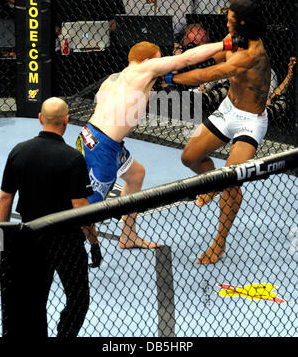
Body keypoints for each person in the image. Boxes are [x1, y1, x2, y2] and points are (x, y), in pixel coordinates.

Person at [76, 38, 240, 249]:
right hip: (103, 147)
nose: (162, 63)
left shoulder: (115, 78)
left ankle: (128, 236)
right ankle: (66, 248)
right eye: (159, 59)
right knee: (89, 209)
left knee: (136, 175)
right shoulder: (146, 68)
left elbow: (113, 105)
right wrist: (225, 45)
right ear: (146, 60)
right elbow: (187, 58)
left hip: (90, 135)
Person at [164, 0, 271, 264]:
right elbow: (211, 56)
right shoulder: (234, 38)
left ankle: (219, 243)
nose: (226, 22)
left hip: (250, 120)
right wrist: (177, 62)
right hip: (229, 110)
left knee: (232, 181)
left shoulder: (252, 54)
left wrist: (170, 78)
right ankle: (212, 183)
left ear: (243, 23)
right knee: (190, 158)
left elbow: (210, 74)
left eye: (230, 19)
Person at [0, 97, 100, 338]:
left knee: (34, 298)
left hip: (30, 236)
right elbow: (80, 207)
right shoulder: (73, 158)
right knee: (78, 298)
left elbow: (5, 198)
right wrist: (94, 243)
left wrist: (2, 241)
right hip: (66, 240)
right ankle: (64, 335)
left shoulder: (19, 151)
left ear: (40, 118)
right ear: (66, 121)